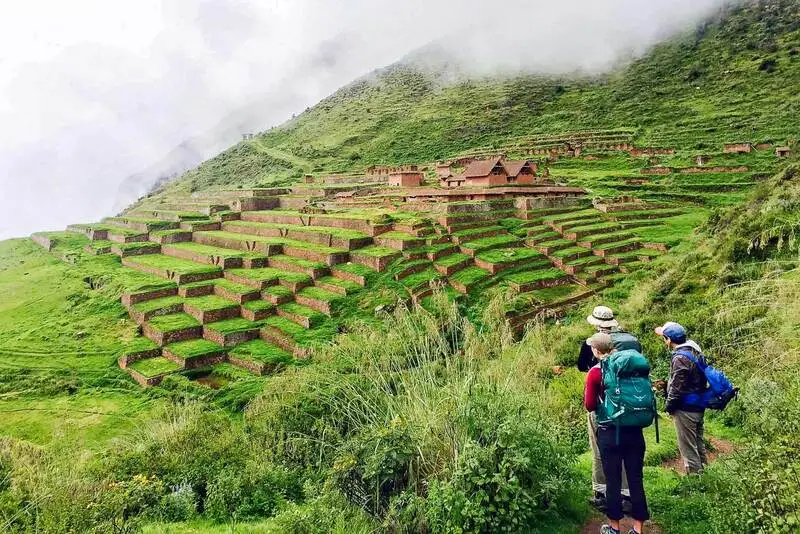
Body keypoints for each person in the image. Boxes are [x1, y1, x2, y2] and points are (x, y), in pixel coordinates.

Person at [584, 332, 650, 534]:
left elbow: (589, 405)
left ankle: (614, 528)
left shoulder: (596, 372)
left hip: (610, 432)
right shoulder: (630, 366)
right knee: (636, 479)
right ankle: (638, 529)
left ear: (596, 350)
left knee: (612, 480)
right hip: (635, 431)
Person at [579, 306, 641, 511]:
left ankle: (602, 492)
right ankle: (628, 494)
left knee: (599, 449)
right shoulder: (627, 342)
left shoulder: (592, 344)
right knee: (625, 451)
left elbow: (581, 366)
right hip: (629, 406)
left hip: (602, 409)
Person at [655, 321, 708, 474]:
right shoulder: (696, 351)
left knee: (688, 446)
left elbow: (677, 387)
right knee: (697, 442)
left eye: (664, 338)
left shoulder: (680, 358)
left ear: (669, 340)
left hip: (686, 408)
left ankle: (694, 480)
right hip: (698, 404)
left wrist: (669, 406)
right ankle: (706, 474)